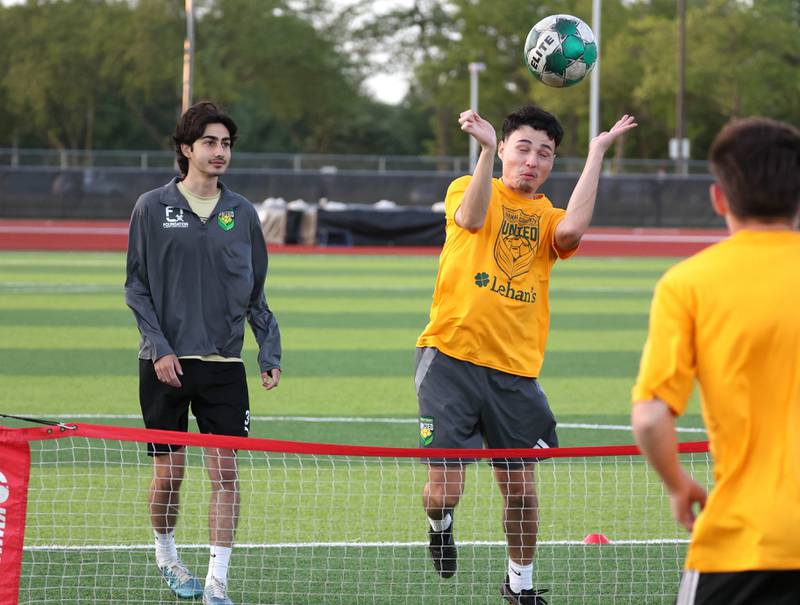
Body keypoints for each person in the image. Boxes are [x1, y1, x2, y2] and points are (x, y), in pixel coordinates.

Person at [415, 104, 636, 604]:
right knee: (446, 489)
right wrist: (486, 150)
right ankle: (441, 523)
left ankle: (520, 586)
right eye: (523, 148)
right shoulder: (471, 189)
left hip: (515, 372)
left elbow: (572, 232)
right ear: (505, 152)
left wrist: (598, 151)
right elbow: (469, 219)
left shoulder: (546, 215)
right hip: (449, 358)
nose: (533, 160)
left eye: (545, 153)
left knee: (520, 490)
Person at [631, 117, 800, 605]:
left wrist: (678, 485)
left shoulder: (688, 285)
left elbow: (649, 417)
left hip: (740, 542)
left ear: (719, 199)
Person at [125, 101, 282, 605]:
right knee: (169, 475)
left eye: (227, 144)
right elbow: (136, 288)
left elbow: (256, 289)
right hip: (165, 364)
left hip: (223, 366)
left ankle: (217, 584)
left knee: (226, 474)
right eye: (210, 142)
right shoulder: (152, 207)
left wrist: (268, 350)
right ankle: (167, 555)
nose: (220, 152)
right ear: (186, 149)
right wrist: (160, 349)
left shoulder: (242, 212)